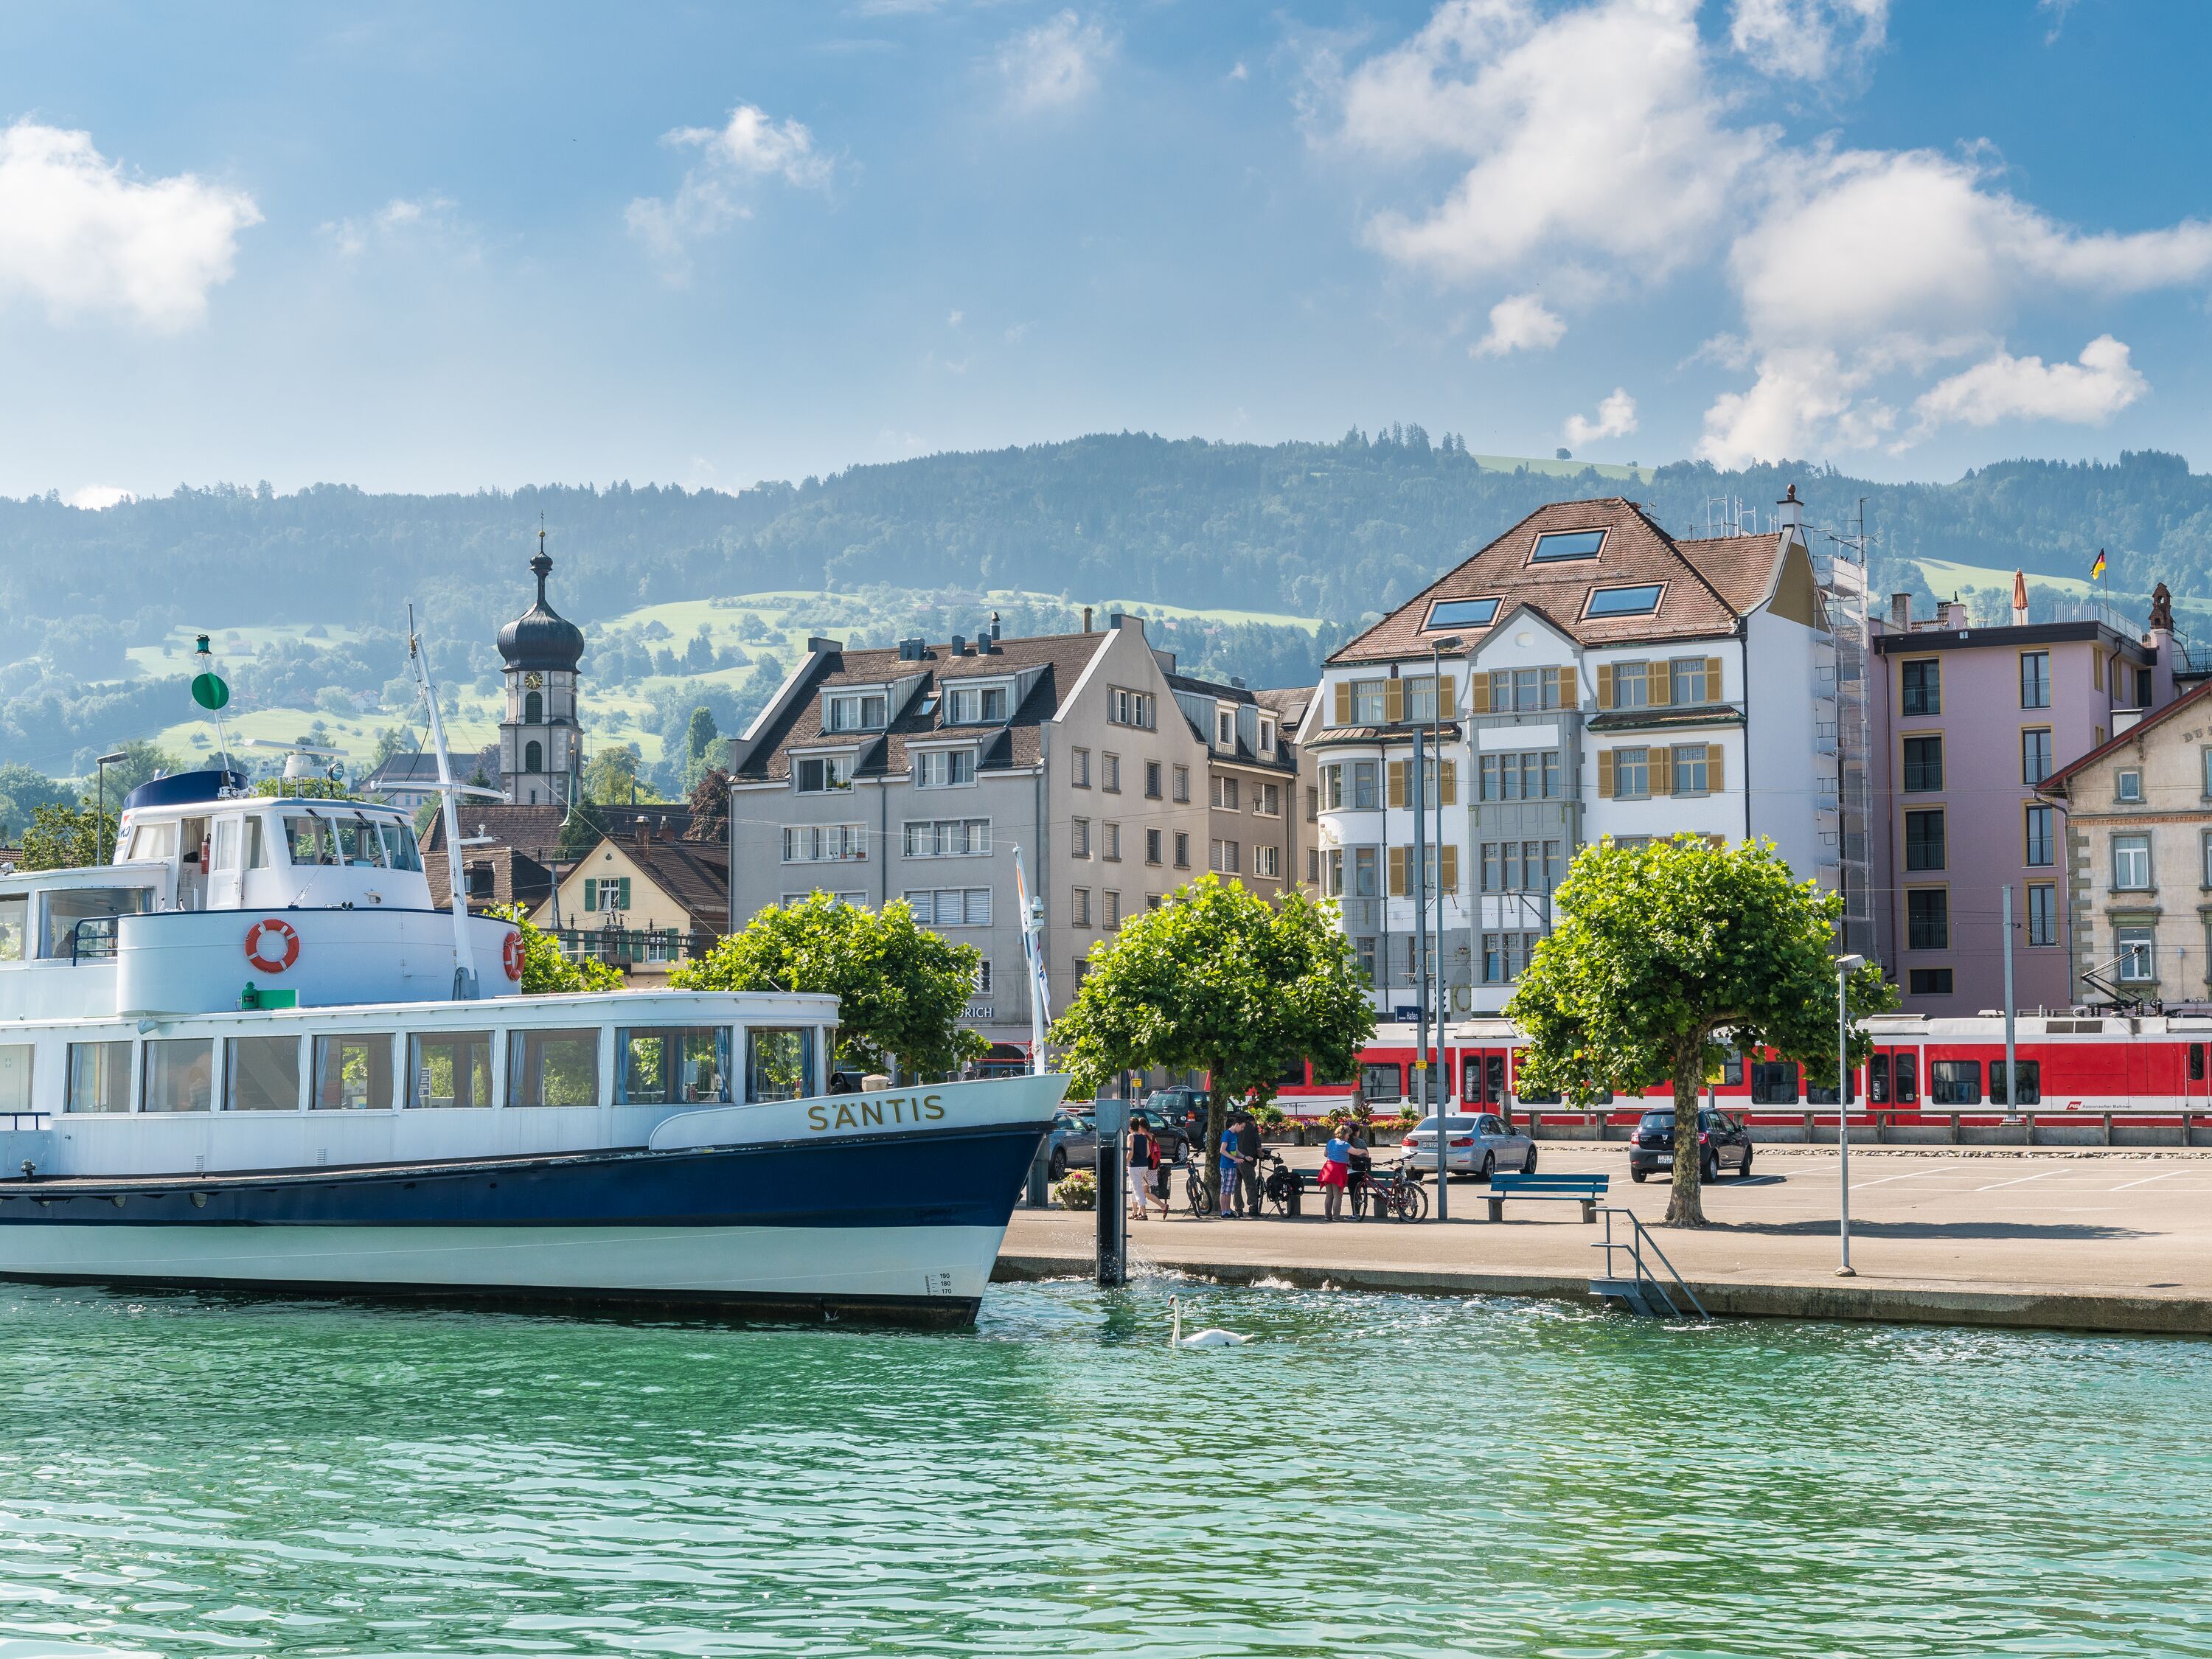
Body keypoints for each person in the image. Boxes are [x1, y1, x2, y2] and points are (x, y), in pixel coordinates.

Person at [1318, 1122, 1352, 1220]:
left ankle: (1327, 1216)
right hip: (1337, 1171)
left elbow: (1326, 1154)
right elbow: (1355, 1152)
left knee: (1329, 1195)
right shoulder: (1345, 1144)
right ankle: (1336, 1216)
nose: (1349, 1136)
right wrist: (1364, 1151)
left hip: (1327, 1169)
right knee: (1338, 1195)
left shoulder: (1330, 1142)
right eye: (1348, 1134)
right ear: (1344, 1134)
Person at [1127, 1121, 1158, 1221]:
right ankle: (1135, 1212)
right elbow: (1148, 1152)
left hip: (1135, 1166)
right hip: (1144, 1165)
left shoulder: (1131, 1137)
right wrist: (1142, 1159)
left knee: (1137, 1190)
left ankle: (1144, 1214)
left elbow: (1130, 1152)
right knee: (1134, 1188)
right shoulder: (1143, 1137)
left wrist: (1125, 1163)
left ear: (1130, 1127)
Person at [1237, 1112, 1264, 1215]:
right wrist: (1261, 1155)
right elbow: (1259, 1147)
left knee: (1236, 1187)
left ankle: (1238, 1209)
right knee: (1250, 1185)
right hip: (1247, 1160)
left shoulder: (1236, 1127)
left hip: (1234, 1160)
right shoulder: (1252, 1129)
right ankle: (1253, 1208)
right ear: (1252, 1121)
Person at [1217, 1128, 1242, 1218]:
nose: (1242, 1129)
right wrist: (1235, 1159)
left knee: (1229, 1190)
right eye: (1242, 1127)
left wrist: (1244, 1157)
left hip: (1233, 1165)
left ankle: (1228, 1210)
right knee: (1224, 1190)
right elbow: (1222, 1150)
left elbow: (1236, 1151)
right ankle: (1224, 1212)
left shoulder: (1234, 1135)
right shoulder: (1227, 1134)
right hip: (1226, 1166)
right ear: (1237, 1125)